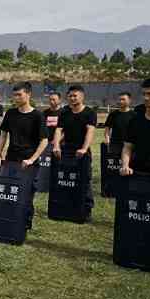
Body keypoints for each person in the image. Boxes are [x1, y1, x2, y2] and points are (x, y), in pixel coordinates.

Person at [0, 82, 49, 229]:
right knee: (10, 190)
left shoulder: (37, 115)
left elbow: (44, 141)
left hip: (28, 162)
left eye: (19, 95)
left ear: (28, 95)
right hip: (11, 159)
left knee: (26, 193)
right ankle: (9, 218)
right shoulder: (11, 114)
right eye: (14, 95)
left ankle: (25, 222)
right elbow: (3, 135)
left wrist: (31, 159)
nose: (16, 98)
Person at [52, 85, 97, 219]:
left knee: (85, 179)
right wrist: (56, 146)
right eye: (70, 96)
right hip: (66, 151)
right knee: (65, 179)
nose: (72, 98)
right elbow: (59, 130)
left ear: (82, 96)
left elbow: (90, 131)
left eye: (75, 96)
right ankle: (65, 207)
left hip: (82, 152)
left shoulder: (89, 113)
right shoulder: (64, 112)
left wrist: (83, 148)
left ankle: (87, 209)